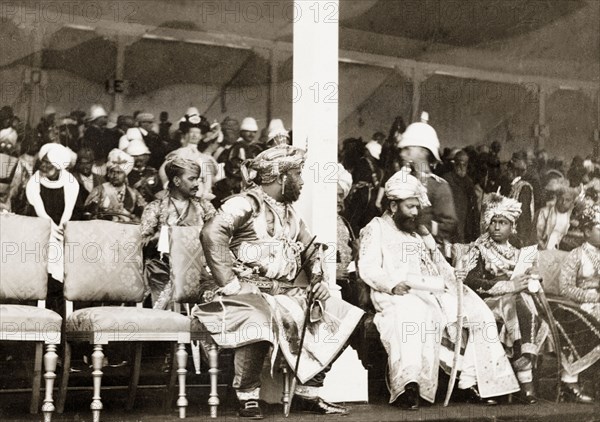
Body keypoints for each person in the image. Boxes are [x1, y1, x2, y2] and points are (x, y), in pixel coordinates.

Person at [194, 145, 364, 418]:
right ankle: (247, 397)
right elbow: (211, 233)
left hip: (277, 292)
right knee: (260, 318)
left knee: (340, 316)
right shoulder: (243, 204)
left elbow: (311, 250)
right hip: (235, 291)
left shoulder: (289, 213)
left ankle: (307, 393)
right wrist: (230, 284)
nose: (302, 181)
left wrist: (319, 280)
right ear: (279, 177)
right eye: (297, 174)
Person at [358, 168, 519, 409]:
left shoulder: (418, 232)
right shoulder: (377, 227)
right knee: (414, 313)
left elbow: (439, 265)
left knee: (480, 313)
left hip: (432, 289)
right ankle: (409, 386)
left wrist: (455, 275)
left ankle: (470, 381)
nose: (415, 212)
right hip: (396, 293)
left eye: (416, 206)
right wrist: (392, 285)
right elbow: (368, 267)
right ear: (393, 206)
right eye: (409, 207)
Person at [464, 193, 548, 403]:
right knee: (515, 303)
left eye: (503, 223)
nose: (497, 227)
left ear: (512, 227)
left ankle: (524, 368)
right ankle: (525, 378)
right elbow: (472, 282)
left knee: (526, 303)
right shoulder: (479, 249)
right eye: (494, 222)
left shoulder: (520, 250)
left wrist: (533, 278)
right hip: (489, 301)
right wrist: (508, 286)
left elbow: (530, 278)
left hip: (518, 300)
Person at [140, 157, 216, 310]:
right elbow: (142, 242)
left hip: (200, 269)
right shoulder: (156, 207)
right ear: (176, 180)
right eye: (192, 179)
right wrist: (165, 236)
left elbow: (218, 235)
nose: (197, 184)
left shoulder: (204, 206)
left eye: (198, 179)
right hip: (163, 269)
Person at [549, 201, 600, 403]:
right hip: (580, 306)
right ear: (587, 231)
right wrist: (594, 297)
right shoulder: (576, 255)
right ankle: (570, 383)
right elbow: (566, 288)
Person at [25, 143, 79, 315]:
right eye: (43, 162)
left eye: (49, 163)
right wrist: (53, 231)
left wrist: (61, 231)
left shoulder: (71, 182)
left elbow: (70, 212)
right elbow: (38, 211)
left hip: (66, 234)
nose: (44, 166)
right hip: (40, 235)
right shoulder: (34, 182)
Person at [84, 148, 146, 223]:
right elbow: (87, 213)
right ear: (108, 174)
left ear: (125, 175)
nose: (115, 175)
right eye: (112, 172)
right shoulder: (99, 190)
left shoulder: (133, 193)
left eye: (119, 172)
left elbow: (144, 213)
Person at [443, 149, 480, 243]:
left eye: (465, 165)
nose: (461, 167)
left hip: (464, 221)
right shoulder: (446, 179)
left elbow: (474, 207)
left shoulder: (469, 182)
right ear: (454, 164)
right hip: (450, 219)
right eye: (459, 164)